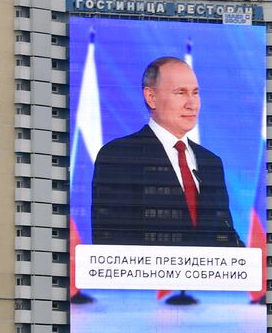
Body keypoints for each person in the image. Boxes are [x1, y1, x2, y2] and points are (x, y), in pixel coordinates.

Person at [90, 56, 242, 248]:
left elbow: (224, 237)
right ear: (151, 97)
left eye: (195, 93)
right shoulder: (119, 156)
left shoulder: (211, 163)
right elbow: (111, 240)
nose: (192, 103)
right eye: (181, 93)